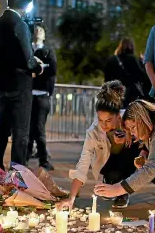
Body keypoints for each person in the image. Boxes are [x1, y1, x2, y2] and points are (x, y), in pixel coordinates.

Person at [57, 81, 141, 210]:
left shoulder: (130, 120)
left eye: (108, 120)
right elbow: (83, 163)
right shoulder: (93, 131)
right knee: (111, 178)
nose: (104, 125)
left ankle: (123, 191)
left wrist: (129, 133)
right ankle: (111, 182)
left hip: (130, 163)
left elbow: (147, 139)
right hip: (109, 165)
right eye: (100, 120)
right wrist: (71, 198)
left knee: (133, 148)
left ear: (118, 116)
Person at [0, 0, 44, 170]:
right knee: (21, 133)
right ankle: (18, 174)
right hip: (20, 84)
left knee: (2, 128)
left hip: (3, 82)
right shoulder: (18, 24)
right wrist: (39, 66)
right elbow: (28, 60)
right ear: (26, 4)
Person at [26, 24, 56, 171]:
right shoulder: (27, 48)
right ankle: (25, 158)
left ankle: (43, 159)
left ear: (44, 36)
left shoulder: (48, 50)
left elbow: (53, 69)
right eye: (36, 29)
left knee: (39, 128)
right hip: (28, 95)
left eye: (41, 30)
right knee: (29, 129)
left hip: (42, 95)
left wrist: (40, 67)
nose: (38, 31)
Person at [104, 37, 150, 108]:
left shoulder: (111, 59)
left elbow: (106, 79)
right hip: (129, 96)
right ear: (131, 47)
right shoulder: (132, 59)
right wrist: (142, 63)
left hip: (113, 94)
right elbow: (142, 76)